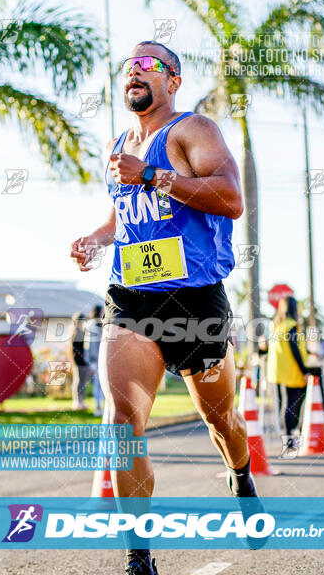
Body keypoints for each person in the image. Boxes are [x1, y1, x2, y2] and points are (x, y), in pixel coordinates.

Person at [71, 41, 263, 574]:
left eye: (147, 65)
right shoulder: (120, 144)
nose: (133, 73)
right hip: (131, 298)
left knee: (220, 418)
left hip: (195, 298)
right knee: (123, 421)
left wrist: (154, 174)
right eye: (128, 67)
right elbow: (123, 215)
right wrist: (95, 238)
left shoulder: (191, 130)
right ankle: (139, 558)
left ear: (172, 80)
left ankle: (241, 474)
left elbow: (230, 198)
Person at [267, 296, 309, 448]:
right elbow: (294, 349)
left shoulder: (275, 325)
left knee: (286, 403)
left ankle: (289, 437)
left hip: (276, 370)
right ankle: (290, 438)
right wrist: (304, 370)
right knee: (292, 403)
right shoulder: (291, 325)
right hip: (291, 370)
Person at [69, 311, 91, 410]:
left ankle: (81, 401)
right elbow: (75, 349)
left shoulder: (81, 331)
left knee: (82, 382)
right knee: (78, 382)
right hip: (79, 361)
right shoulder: (76, 332)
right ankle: (77, 402)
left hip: (82, 360)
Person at [86, 304, 105, 416]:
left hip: (101, 359)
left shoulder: (101, 324)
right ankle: (98, 408)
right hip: (95, 360)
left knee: (103, 385)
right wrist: (91, 362)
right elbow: (89, 346)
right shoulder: (92, 325)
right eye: (101, 311)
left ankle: (103, 408)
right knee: (98, 385)